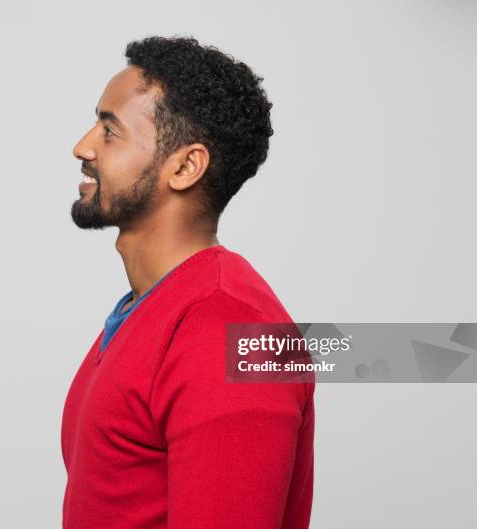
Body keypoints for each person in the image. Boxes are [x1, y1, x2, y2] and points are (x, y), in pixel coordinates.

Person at [61, 35, 315, 529]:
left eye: (110, 131)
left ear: (184, 167)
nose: (83, 146)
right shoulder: (149, 309)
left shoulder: (230, 331)